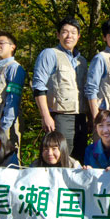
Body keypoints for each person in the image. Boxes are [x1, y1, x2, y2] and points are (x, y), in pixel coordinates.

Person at [32, 18, 88, 161]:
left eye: (73, 33)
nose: (69, 36)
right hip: (60, 116)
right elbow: (39, 86)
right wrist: (45, 116)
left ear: (79, 36)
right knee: (61, 158)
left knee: (79, 159)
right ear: (58, 35)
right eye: (65, 32)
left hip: (81, 118)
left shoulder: (82, 61)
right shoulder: (50, 54)